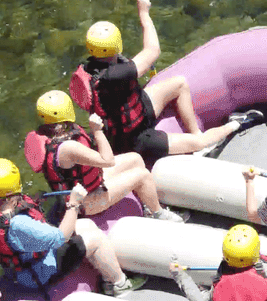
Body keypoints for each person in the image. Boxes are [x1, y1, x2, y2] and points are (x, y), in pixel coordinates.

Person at [72, 0, 261, 167]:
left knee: (179, 83)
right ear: (117, 45)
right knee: (201, 143)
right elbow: (153, 51)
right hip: (135, 138)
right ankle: (236, 123)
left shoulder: (88, 69)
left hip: (138, 108)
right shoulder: (117, 74)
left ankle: (194, 131)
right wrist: (144, 13)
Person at [0, 158, 136, 297]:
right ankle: (120, 285)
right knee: (96, 240)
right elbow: (60, 238)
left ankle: (106, 268)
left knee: (84, 224)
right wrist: (74, 204)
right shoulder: (18, 224)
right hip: (39, 274)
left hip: (22, 269)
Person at [29, 89, 184, 222]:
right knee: (142, 175)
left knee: (135, 159)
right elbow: (108, 161)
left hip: (85, 187)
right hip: (87, 202)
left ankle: (147, 202)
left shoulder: (47, 137)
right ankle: (158, 214)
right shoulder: (68, 147)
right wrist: (97, 131)